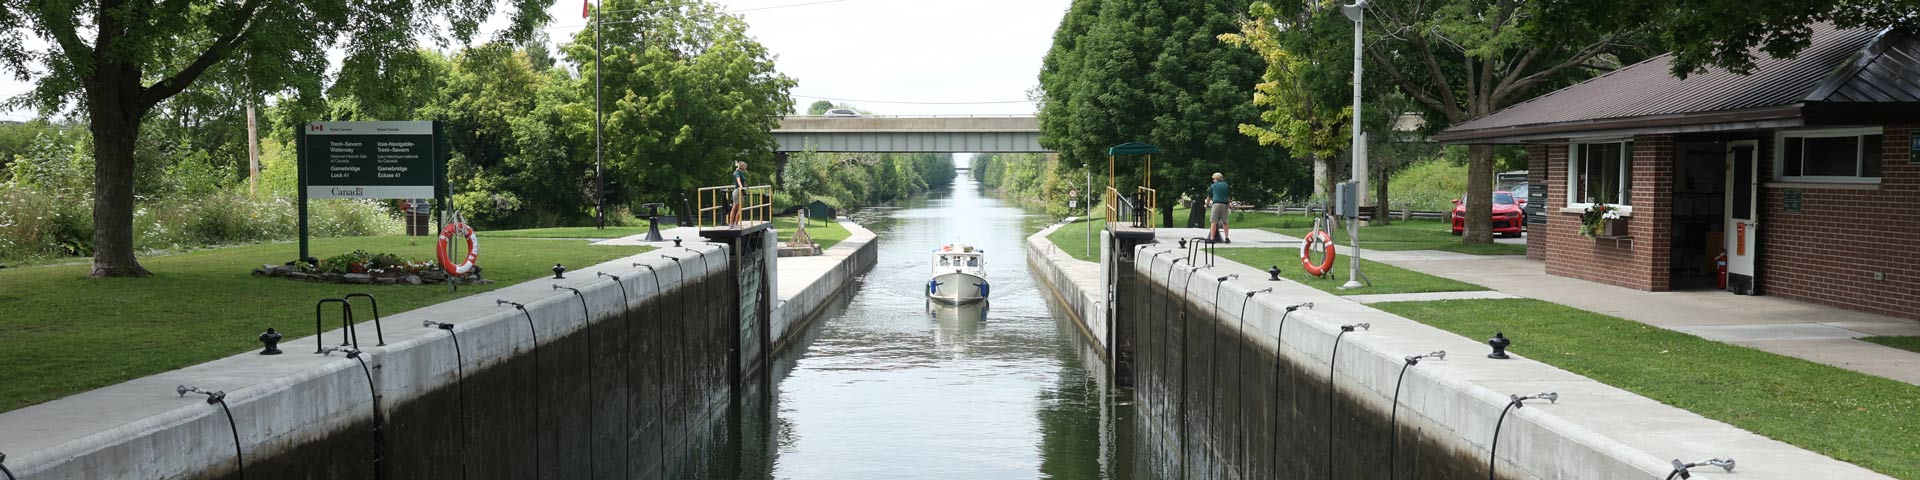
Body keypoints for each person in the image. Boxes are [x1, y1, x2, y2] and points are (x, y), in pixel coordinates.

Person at [1207, 172, 1231, 243]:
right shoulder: (1226, 185)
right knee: (1225, 221)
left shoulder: (1213, 186)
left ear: (1216, 178)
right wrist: (1229, 204)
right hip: (1224, 204)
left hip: (1216, 204)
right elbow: (1228, 196)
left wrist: (1207, 204)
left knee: (1214, 221)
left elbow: (1209, 196)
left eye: (1213, 179)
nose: (1213, 180)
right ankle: (1226, 237)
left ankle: (1212, 238)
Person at [729, 161, 747, 227]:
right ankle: (735, 223)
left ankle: (732, 224)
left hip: (737, 191)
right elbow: (738, 180)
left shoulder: (738, 172)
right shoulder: (737, 173)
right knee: (739, 208)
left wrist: (745, 186)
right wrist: (741, 186)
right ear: (743, 167)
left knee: (734, 208)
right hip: (738, 192)